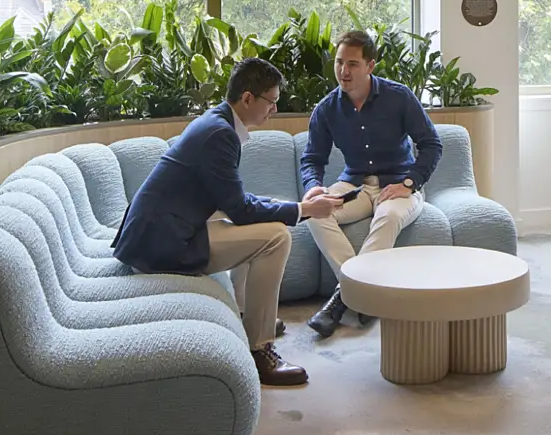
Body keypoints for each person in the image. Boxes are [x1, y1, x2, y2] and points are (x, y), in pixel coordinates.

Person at [113, 56, 345, 385]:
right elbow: (239, 210)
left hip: (163, 232)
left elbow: (232, 200)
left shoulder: (216, 123)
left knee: (265, 226)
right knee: (276, 237)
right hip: (161, 246)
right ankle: (259, 348)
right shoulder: (220, 135)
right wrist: (304, 210)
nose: (274, 109)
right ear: (248, 98)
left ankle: (248, 318)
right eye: (271, 101)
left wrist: (292, 205)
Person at [301, 29, 443, 337]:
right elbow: (312, 159)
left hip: (399, 185)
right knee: (314, 213)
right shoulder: (327, 108)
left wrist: (409, 183)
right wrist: (313, 187)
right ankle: (361, 292)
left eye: (352, 64)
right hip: (355, 185)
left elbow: (432, 144)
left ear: (370, 66)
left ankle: (341, 300)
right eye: (339, 62)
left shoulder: (398, 97)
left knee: (388, 216)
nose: (343, 71)